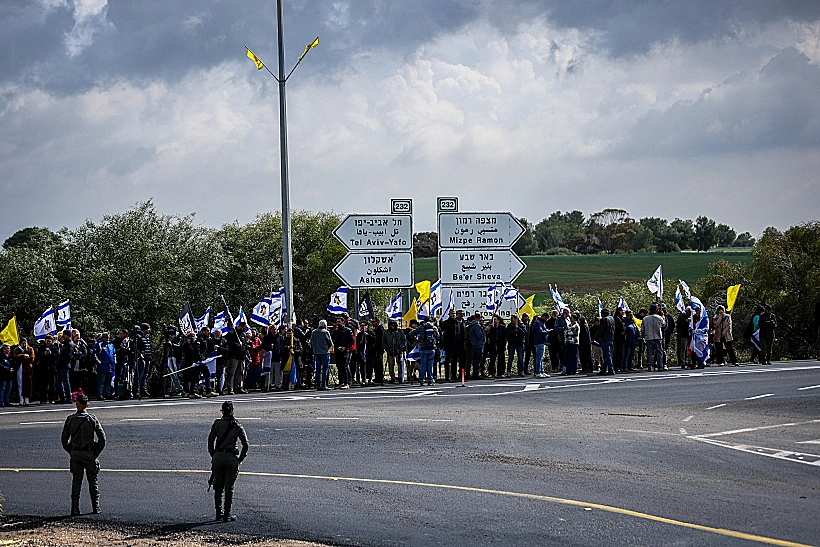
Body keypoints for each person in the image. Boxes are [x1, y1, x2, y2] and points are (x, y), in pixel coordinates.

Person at [61, 392, 106, 516]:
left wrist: (71, 451)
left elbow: (64, 440)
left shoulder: (70, 419)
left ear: (77, 405)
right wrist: (96, 452)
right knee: (93, 481)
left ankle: (75, 508)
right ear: (87, 405)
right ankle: (96, 507)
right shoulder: (92, 419)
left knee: (76, 481)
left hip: (75, 453)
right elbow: (102, 439)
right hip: (89, 453)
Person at [208, 401, 249, 522]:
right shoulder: (237, 425)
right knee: (229, 488)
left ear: (223, 411)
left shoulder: (217, 424)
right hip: (231, 458)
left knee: (218, 486)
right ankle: (227, 514)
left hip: (218, 457)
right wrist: (240, 458)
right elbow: (245, 444)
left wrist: (214, 455)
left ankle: (218, 512)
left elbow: (210, 441)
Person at [440, 309, 466, 382]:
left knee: (455, 361)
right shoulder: (446, 323)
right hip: (448, 345)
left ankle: (454, 375)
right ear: (449, 314)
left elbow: (462, 334)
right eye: (452, 313)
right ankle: (447, 376)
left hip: (457, 345)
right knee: (447, 361)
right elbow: (442, 332)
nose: (453, 315)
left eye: (454, 313)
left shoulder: (458, 323)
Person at [412, 319, 438, 386]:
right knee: (430, 365)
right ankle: (430, 380)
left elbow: (411, 333)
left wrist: (416, 341)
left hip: (423, 348)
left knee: (423, 365)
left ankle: (421, 379)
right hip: (431, 348)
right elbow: (438, 336)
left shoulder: (421, 327)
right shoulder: (434, 327)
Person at [225, 322, 248, 395]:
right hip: (234, 356)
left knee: (240, 373)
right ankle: (230, 387)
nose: (244, 329)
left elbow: (244, 345)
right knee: (231, 373)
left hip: (242, 356)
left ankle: (239, 387)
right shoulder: (232, 334)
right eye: (244, 328)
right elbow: (228, 344)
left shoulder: (243, 335)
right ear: (240, 326)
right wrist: (236, 344)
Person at [641, 304, 666, 371]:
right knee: (659, 351)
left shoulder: (645, 319)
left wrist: (642, 336)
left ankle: (650, 365)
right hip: (658, 337)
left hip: (649, 337)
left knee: (650, 352)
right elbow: (664, 325)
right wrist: (663, 316)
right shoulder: (659, 318)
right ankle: (660, 366)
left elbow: (642, 329)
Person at [35, 334, 59, 403]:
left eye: (49, 341)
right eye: (47, 341)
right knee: (43, 385)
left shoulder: (54, 348)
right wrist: (43, 354)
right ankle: (43, 399)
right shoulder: (41, 348)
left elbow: (57, 356)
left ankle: (52, 398)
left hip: (52, 368)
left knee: (52, 385)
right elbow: (38, 356)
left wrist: (51, 353)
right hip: (43, 369)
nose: (48, 342)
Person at [92, 333, 116, 400]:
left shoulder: (111, 345)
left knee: (108, 381)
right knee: (101, 381)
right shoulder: (98, 344)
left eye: (108, 337)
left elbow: (114, 354)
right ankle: (100, 394)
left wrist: (114, 363)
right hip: (102, 366)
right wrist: (99, 363)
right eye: (106, 337)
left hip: (110, 366)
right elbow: (95, 355)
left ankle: (108, 394)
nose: (107, 339)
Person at [332, 317, 354, 388]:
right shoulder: (336, 331)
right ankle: (341, 382)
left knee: (344, 366)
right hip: (337, 351)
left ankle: (346, 383)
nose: (338, 323)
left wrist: (346, 347)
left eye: (339, 322)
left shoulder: (347, 330)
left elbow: (352, 340)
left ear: (343, 322)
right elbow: (332, 339)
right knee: (339, 367)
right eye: (337, 322)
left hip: (345, 351)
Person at [311, 319, 333, 390]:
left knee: (317, 369)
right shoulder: (325, 332)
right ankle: (323, 384)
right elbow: (330, 343)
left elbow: (311, 342)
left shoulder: (313, 332)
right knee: (325, 369)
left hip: (316, 353)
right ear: (325, 325)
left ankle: (317, 384)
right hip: (324, 352)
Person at [13, 338, 35, 406]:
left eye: (25, 343)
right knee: (20, 383)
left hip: (28, 369)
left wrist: (25, 358)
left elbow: (32, 358)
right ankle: (21, 399)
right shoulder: (17, 350)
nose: (24, 345)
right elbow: (15, 357)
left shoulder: (30, 349)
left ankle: (27, 398)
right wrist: (22, 356)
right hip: (19, 368)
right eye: (23, 343)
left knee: (27, 383)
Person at [55, 330, 75, 403]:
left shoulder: (70, 344)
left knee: (65, 382)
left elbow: (68, 356)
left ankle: (68, 398)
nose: (63, 336)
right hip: (60, 366)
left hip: (64, 365)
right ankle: (62, 397)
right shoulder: (65, 344)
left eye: (64, 334)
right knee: (59, 383)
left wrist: (60, 361)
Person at [383, 320, 406, 384]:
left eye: (394, 325)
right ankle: (392, 377)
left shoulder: (399, 331)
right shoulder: (386, 332)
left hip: (398, 350)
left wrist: (401, 346)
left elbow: (403, 339)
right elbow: (384, 341)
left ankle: (400, 377)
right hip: (390, 351)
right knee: (391, 365)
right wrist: (386, 348)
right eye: (391, 325)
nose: (393, 326)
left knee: (400, 364)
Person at [134, 323, 152, 398]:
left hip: (148, 357)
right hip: (141, 358)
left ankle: (143, 389)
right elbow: (136, 347)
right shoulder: (138, 336)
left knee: (145, 375)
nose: (149, 330)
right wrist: (140, 354)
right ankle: (136, 390)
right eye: (148, 329)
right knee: (140, 375)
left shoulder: (146, 337)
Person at [596, 309, 615, 375]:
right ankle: (604, 369)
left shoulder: (604, 320)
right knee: (607, 355)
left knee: (607, 355)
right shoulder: (612, 319)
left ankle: (611, 369)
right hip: (611, 338)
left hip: (605, 339)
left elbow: (601, 330)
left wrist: (596, 337)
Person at [467, 313, 486, 381]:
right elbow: (479, 336)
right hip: (478, 344)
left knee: (476, 360)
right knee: (478, 360)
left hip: (474, 344)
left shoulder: (471, 325)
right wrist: (485, 330)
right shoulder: (477, 326)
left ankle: (475, 373)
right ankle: (476, 374)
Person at [531, 312, 549, 378]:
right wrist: (547, 331)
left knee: (542, 357)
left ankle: (542, 371)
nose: (546, 320)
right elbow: (540, 331)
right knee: (539, 357)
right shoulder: (538, 323)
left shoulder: (541, 323)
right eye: (546, 318)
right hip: (539, 341)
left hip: (542, 341)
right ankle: (538, 372)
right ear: (543, 317)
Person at [368, 317, 385, 385]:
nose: (372, 323)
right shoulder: (376, 329)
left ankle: (380, 378)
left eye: (373, 322)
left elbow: (379, 339)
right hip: (375, 349)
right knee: (376, 364)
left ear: (377, 322)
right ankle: (377, 377)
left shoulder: (380, 329)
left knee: (379, 363)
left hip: (379, 349)